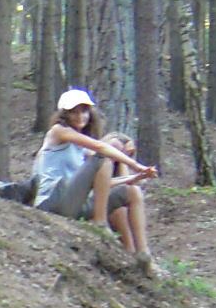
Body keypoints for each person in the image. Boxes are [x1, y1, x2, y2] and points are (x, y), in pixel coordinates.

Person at [24, 91, 160, 269]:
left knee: (133, 192)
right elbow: (100, 147)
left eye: (84, 111)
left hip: (73, 204)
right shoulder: (58, 132)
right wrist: (135, 165)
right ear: (64, 114)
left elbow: (101, 186)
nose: (80, 116)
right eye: (74, 112)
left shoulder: (81, 150)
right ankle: (100, 223)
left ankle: (144, 255)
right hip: (52, 201)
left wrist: (133, 178)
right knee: (103, 157)